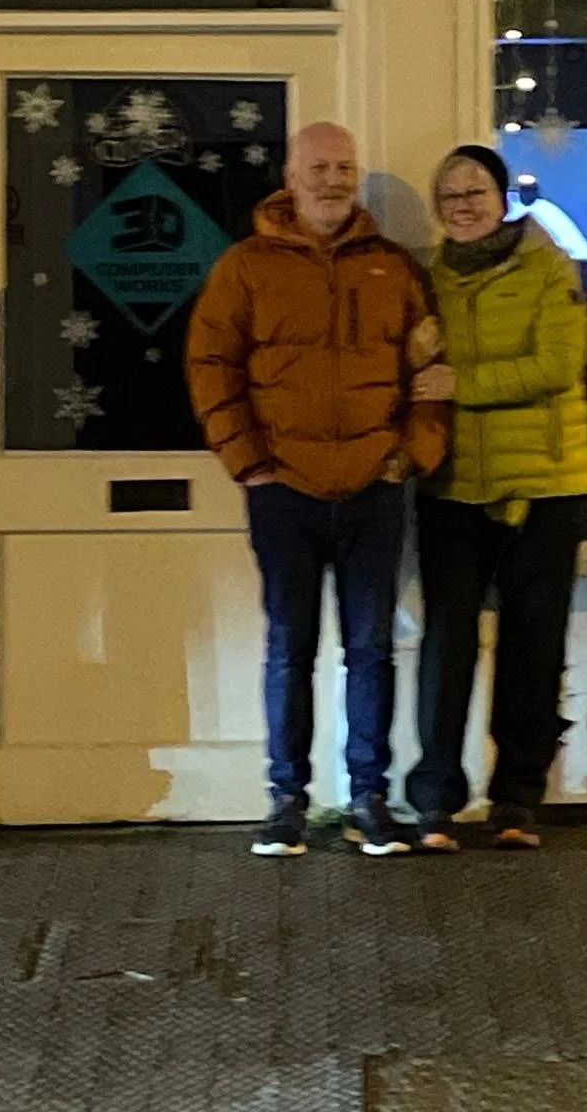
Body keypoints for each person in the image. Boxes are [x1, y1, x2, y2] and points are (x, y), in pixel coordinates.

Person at [186, 123, 449, 858]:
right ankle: (287, 802)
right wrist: (248, 462)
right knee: (289, 650)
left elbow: (432, 372)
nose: (332, 180)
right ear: (290, 176)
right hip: (284, 492)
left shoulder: (394, 269)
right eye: (319, 167)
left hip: (373, 489)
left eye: (344, 168)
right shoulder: (244, 268)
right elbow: (211, 365)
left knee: (371, 650)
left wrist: (411, 456)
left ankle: (370, 800)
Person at [406, 144, 587, 851]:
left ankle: (516, 800)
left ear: (502, 196)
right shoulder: (425, 278)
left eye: (475, 191)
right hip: (453, 482)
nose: (463, 205)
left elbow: (557, 365)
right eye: (450, 194)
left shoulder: (548, 266)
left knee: (532, 646)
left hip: (545, 483)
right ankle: (435, 801)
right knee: (446, 647)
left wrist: (462, 382)